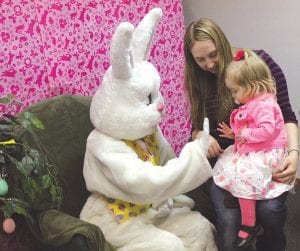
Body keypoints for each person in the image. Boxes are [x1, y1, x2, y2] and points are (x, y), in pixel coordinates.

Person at [183, 18, 299, 251]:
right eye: (200, 59)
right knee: (229, 220)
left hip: (263, 154)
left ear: (223, 43)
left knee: (271, 211)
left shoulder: (258, 63)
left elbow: (286, 115)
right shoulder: (197, 81)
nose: (209, 64)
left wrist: (294, 154)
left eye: (213, 54)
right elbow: (195, 129)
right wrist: (201, 137)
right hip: (228, 159)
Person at [212, 48, 294, 249]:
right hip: (253, 149)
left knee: (244, 174)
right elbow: (250, 125)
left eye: (235, 91)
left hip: (265, 154)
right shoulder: (255, 102)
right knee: (232, 167)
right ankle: (240, 196)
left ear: (252, 86)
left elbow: (266, 131)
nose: (233, 96)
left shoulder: (263, 104)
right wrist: (234, 134)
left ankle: (249, 225)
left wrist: (244, 135)